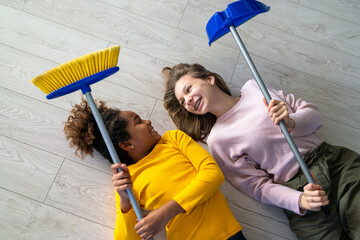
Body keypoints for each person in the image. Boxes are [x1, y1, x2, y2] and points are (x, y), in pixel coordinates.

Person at [163, 63, 360, 240]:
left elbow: (314, 115)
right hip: (297, 191)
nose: (188, 100)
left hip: (335, 164)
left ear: (209, 78)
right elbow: (258, 187)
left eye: (188, 89)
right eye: (183, 102)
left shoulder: (253, 88)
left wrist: (292, 122)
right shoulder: (218, 140)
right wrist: (299, 200)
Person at [63, 98, 244, 240]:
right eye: (139, 121)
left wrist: (165, 213)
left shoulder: (173, 139)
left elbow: (212, 175)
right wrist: (125, 202)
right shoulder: (128, 179)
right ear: (126, 144)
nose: (148, 121)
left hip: (228, 234)